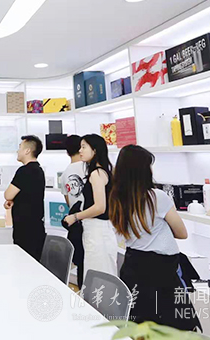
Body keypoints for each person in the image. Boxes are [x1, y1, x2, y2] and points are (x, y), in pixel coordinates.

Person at [109, 145, 199, 330]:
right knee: (176, 326)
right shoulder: (156, 197)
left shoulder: (116, 198)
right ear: (142, 170)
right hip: (162, 271)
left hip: (133, 265)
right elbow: (182, 233)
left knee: (141, 324)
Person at [63, 134, 117, 278]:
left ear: (95, 150)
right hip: (95, 230)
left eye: (83, 147)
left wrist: (75, 217)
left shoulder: (97, 174)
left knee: (98, 275)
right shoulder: (100, 172)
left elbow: (100, 207)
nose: (80, 151)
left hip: (97, 231)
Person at [4, 135, 46, 260]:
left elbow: (8, 194)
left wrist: (11, 198)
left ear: (27, 151)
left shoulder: (24, 171)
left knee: (23, 261)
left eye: (20, 147)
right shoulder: (39, 170)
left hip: (25, 228)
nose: (17, 151)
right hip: (36, 226)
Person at [60, 134, 86, 287]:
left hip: (75, 222)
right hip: (93, 220)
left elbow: (68, 201)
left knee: (79, 260)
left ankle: (82, 291)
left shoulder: (65, 174)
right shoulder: (90, 168)